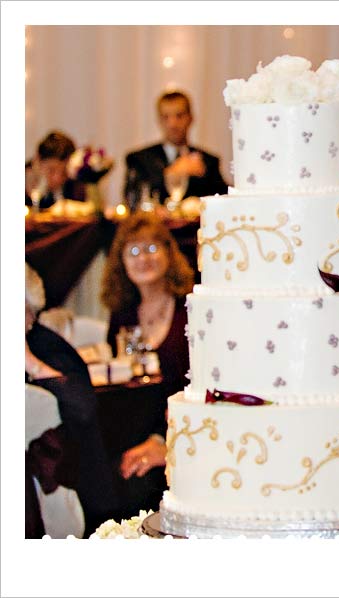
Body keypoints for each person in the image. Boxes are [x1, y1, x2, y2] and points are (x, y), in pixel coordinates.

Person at [99, 213, 192, 514]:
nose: (143, 259)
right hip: (134, 430)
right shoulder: (122, 313)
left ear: (169, 253)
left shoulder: (189, 308)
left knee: (138, 488)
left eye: (152, 248)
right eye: (134, 251)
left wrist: (163, 441)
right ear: (122, 262)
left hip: (185, 430)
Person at [25, 263, 119, 535]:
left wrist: (29, 361)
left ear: (29, 312)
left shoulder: (49, 348)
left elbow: (83, 407)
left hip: (65, 492)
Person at [123, 90, 227, 206]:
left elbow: (222, 199)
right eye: (166, 117)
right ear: (159, 120)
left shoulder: (208, 161)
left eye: (179, 116)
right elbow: (133, 198)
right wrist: (173, 172)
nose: (173, 124)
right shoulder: (140, 158)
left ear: (190, 118)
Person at [26, 131, 86, 210]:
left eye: (64, 172)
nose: (57, 178)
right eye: (51, 170)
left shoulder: (74, 183)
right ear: (37, 161)